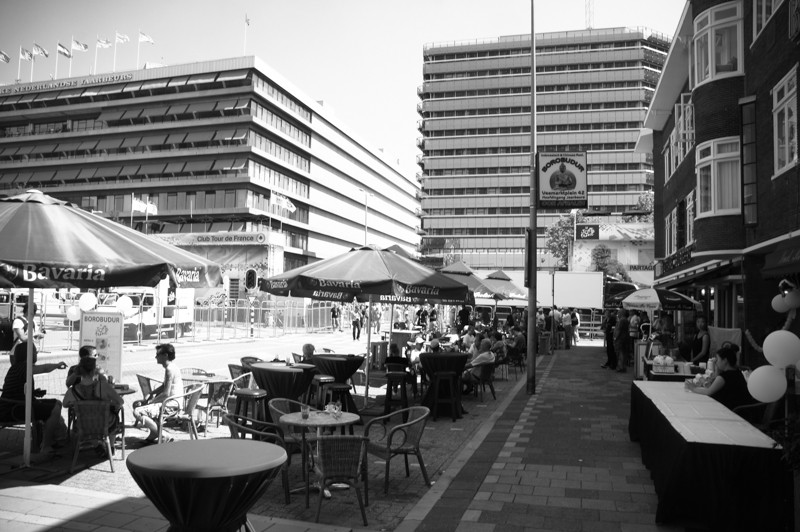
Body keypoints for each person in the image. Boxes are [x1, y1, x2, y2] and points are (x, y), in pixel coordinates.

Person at [0, 343, 68, 454]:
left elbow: (18, 389)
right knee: (55, 409)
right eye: (35, 351)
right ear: (28, 354)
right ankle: (46, 445)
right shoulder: (23, 367)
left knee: (57, 403)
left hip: (18, 405)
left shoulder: (18, 367)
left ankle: (53, 438)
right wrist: (57, 365)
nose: (37, 353)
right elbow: (44, 368)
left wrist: (34, 392)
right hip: (14, 409)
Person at [132, 343, 183, 445]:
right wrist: (152, 393)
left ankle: (162, 435)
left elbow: (166, 394)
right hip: (174, 403)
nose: (156, 357)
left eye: (158, 354)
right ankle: (154, 434)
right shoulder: (173, 367)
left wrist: (151, 401)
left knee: (137, 412)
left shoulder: (169, 369)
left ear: (165, 355)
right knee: (143, 407)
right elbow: (164, 386)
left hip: (171, 405)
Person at [63, 356, 124, 441]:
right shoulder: (103, 386)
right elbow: (120, 401)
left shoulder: (72, 391)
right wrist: (110, 403)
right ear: (94, 370)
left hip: (83, 425)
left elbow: (65, 404)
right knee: (115, 414)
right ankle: (111, 445)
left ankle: (87, 444)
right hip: (105, 425)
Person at [686, 344, 753, 410]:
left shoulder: (724, 377)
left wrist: (693, 388)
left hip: (734, 410)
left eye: (717, 359)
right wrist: (717, 371)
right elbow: (711, 386)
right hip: (742, 407)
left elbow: (708, 391)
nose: (716, 362)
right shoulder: (737, 372)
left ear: (725, 361)